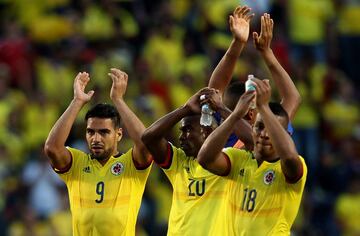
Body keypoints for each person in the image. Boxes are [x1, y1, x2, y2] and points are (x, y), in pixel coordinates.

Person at [44, 69, 152, 236]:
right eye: (90, 132)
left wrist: (118, 100)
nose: (95, 138)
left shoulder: (131, 164)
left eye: (104, 132)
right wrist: (77, 101)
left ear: (119, 134)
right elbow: (52, 148)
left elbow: (145, 144)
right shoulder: (77, 164)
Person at [198, 77, 307, 235]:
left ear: (285, 134)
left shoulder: (289, 169)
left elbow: (290, 157)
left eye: (272, 130)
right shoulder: (238, 158)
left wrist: (263, 107)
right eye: (260, 127)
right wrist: (235, 115)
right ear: (252, 128)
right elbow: (204, 159)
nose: (264, 135)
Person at [208, 12, 300, 147]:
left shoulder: (216, 137)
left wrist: (237, 43)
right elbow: (292, 98)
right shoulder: (267, 136)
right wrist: (266, 52)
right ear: (251, 113)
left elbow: (214, 89)